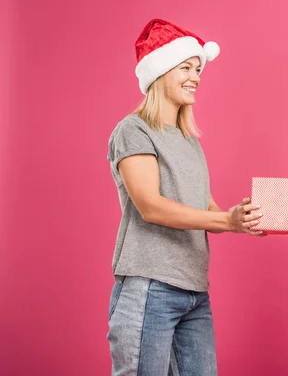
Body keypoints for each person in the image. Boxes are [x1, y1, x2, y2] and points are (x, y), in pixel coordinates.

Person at [106, 19, 263, 375]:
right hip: (151, 287)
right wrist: (225, 220)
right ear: (160, 72)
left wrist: (241, 219)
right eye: (186, 68)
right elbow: (151, 205)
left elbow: (205, 209)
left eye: (198, 69)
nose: (196, 77)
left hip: (194, 291)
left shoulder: (189, 141)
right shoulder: (134, 130)